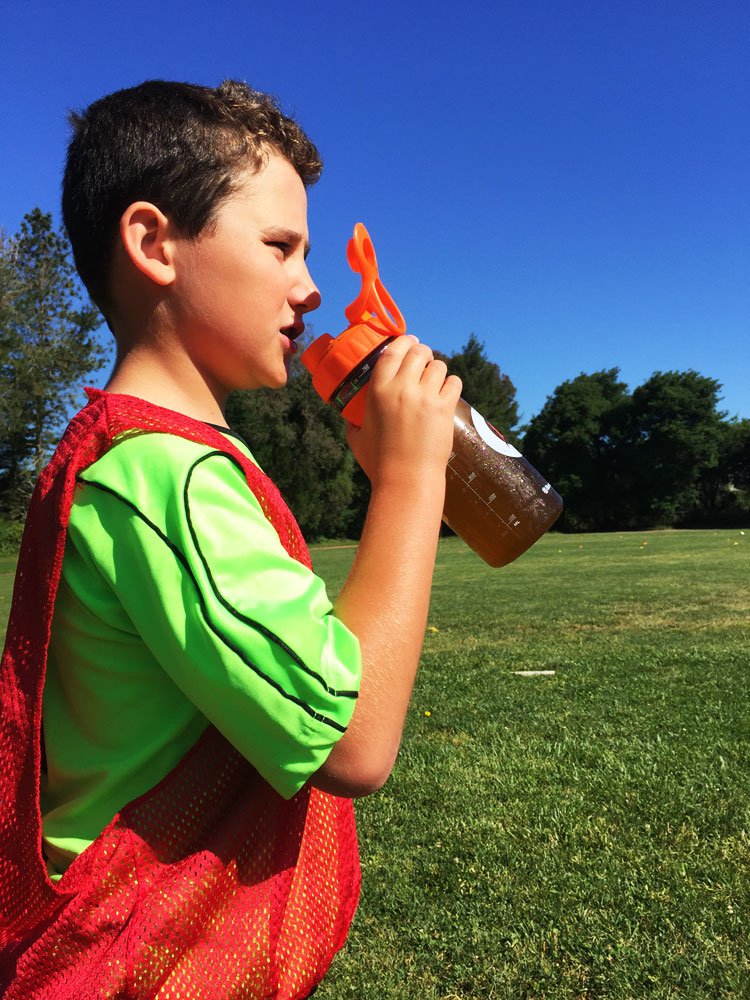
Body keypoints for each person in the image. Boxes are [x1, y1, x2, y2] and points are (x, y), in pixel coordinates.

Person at [0, 80, 461, 998]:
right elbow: (353, 742)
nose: (311, 286)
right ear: (154, 243)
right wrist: (413, 483)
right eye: (279, 246)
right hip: (127, 961)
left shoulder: (142, 460)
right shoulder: (161, 475)